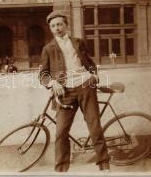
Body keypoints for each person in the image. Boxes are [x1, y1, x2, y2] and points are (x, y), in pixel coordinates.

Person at [39, 11, 110, 172]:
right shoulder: (48, 49)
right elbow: (43, 74)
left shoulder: (78, 42)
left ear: (66, 25)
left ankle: (105, 166)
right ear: (50, 29)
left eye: (59, 24)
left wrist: (94, 76)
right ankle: (61, 171)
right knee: (61, 133)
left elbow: (88, 61)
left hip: (86, 86)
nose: (57, 28)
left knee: (95, 127)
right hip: (65, 93)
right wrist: (52, 82)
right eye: (53, 26)